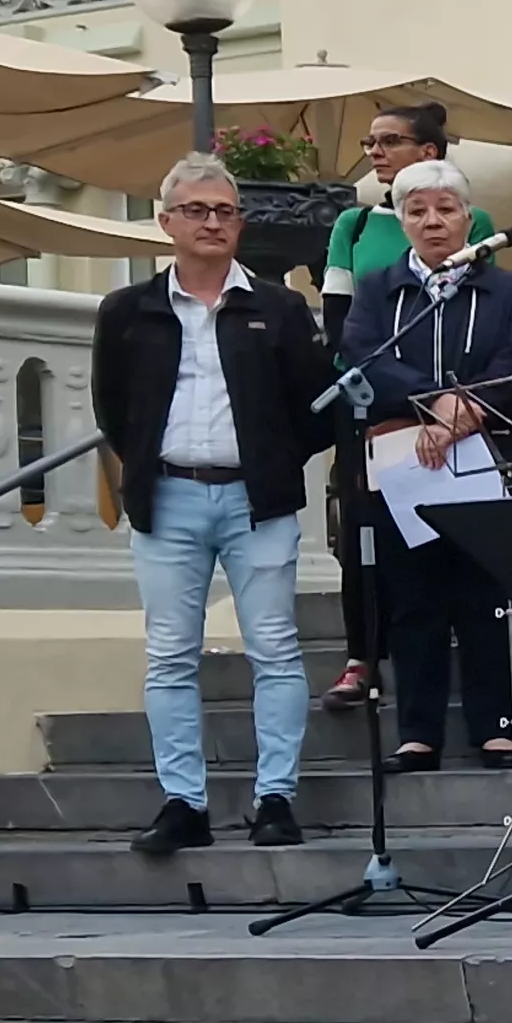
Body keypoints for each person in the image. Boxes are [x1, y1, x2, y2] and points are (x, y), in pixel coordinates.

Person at [88, 153, 336, 854]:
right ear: (166, 222)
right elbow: (113, 407)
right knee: (169, 655)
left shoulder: (279, 308)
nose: (213, 222)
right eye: (197, 210)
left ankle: (275, 798)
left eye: (225, 211)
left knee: (276, 650)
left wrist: (275, 458)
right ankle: (183, 803)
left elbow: (316, 407)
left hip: (255, 501)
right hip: (168, 498)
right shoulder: (129, 310)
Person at [341, 163, 512, 772]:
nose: (433, 222)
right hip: (405, 456)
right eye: (418, 211)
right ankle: (418, 732)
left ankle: (497, 726)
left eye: (446, 209)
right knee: (412, 596)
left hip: (484, 453)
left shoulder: (505, 288)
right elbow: (362, 358)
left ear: (468, 217)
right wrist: (435, 402)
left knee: (487, 591)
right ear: (402, 219)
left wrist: (463, 415)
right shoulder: (379, 288)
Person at [316, 101, 491, 712]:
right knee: (365, 527)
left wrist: (451, 403)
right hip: (369, 396)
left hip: (461, 409)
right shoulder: (355, 226)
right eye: (371, 140)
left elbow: (480, 316)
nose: (375, 151)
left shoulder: (478, 221)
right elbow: (340, 321)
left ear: (430, 152)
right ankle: (362, 654)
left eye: (390, 140)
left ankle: (477, 662)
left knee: (459, 532)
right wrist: (407, 386)